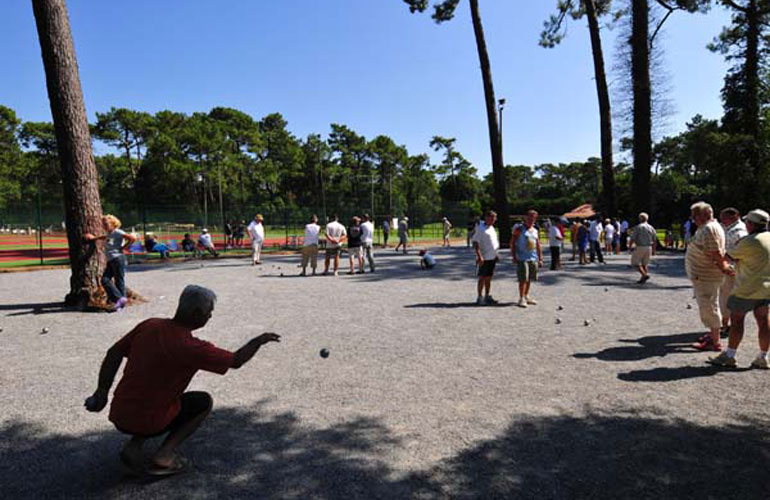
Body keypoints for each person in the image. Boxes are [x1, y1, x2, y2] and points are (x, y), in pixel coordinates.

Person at [84, 285, 280, 476]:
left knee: (155, 398)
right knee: (201, 402)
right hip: (148, 420)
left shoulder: (150, 325)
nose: (210, 316)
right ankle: (164, 455)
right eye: (208, 312)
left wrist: (101, 392)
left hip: (120, 413)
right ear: (196, 313)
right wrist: (258, 341)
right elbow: (236, 361)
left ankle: (134, 448)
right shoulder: (191, 347)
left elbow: (114, 352)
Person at [707, 210, 770, 369]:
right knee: (763, 321)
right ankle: (763, 357)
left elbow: (727, 257)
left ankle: (730, 355)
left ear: (751, 224)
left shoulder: (749, 241)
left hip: (746, 288)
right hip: (766, 287)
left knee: (737, 321)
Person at [686, 202, 727, 352]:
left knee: (709, 306)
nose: (693, 219)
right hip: (704, 275)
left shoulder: (709, 229)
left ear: (702, 216)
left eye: (694, 216)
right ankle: (712, 335)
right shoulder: (710, 227)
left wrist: (724, 267)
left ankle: (715, 342)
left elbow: (715, 252)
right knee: (710, 304)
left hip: (706, 276)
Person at [84, 214, 137, 311]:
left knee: (118, 280)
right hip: (111, 260)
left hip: (118, 259)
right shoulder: (110, 233)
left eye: (106, 224)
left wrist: (124, 247)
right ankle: (120, 300)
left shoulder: (117, 232)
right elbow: (105, 237)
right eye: (103, 224)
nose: (104, 226)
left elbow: (132, 238)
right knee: (105, 280)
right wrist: (94, 238)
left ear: (113, 223)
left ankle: (120, 302)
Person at [717, 207, 748, 337]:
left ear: (734, 216)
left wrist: (730, 264)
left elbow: (743, 252)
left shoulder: (739, 232)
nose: (721, 220)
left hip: (732, 269)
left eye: (724, 217)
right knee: (726, 297)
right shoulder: (728, 228)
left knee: (726, 297)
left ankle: (726, 325)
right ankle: (727, 324)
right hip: (728, 267)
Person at [512, 210, 543, 308]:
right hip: (522, 257)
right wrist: (514, 256)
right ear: (525, 217)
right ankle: (521, 298)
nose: (531, 219)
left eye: (533, 218)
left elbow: (538, 244)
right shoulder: (519, 229)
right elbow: (512, 242)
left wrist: (540, 257)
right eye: (529, 217)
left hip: (532, 257)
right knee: (523, 279)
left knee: (529, 278)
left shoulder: (535, 230)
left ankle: (526, 295)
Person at [472, 210, 500, 306]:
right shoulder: (480, 228)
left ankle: (487, 295)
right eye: (491, 218)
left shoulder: (491, 228)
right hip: (484, 257)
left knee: (489, 278)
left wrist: (496, 254)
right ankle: (480, 297)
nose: (493, 220)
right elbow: (475, 242)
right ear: (486, 218)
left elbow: (493, 242)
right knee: (482, 278)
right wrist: (479, 256)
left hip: (492, 257)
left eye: (494, 218)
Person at [629, 212, 657, 284]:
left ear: (640, 218)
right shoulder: (651, 227)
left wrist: (630, 246)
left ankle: (644, 275)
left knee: (635, 263)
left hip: (640, 246)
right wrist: (654, 249)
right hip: (649, 247)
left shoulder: (638, 227)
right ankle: (643, 279)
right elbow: (654, 239)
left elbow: (633, 238)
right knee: (645, 264)